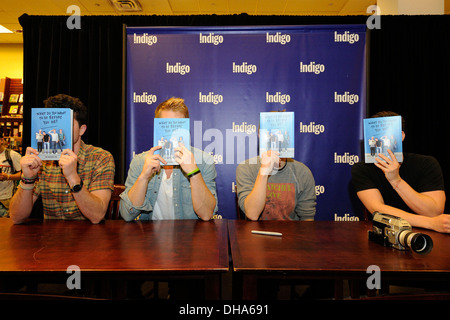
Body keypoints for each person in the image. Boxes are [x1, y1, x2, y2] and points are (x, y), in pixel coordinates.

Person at [9, 94, 115, 224]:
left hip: (89, 239)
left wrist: (72, 177)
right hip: (50, 239)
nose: (61, 130)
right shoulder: (42, 160)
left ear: (82, 130)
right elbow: (16, 217)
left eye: (66, 124)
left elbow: (97, 215)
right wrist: (28, 179)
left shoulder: (100, 158)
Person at [119, 97, 218, 221]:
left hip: (189, 236)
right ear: (157, 127)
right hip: (149, 237)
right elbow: (127, 215)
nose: (171, 132)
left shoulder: (204, 160)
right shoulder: (140, 161)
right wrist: (144, 177)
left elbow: (206, 214)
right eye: (165, 125)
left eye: (177, 126)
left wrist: (194, 173)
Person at [352, 111, 450, 233]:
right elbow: (377, 209)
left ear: (402, 136)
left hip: (427, 234)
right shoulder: (362, 169)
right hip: (386, 233)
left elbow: (434, 211)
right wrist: (429, 223)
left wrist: (396, 180)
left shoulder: (426, 164)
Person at [236, 148, 316, 221]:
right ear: (260, 134)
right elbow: (252, 214)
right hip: (255, 234)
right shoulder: (247, 168)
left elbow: (307, 217)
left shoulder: (302, 171)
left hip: (291, 234)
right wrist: (264, 172)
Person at [0, 134, 22, 217]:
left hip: (6, 200)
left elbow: (24, 174)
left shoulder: (12, 155)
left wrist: (8, 177)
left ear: (1, 140)